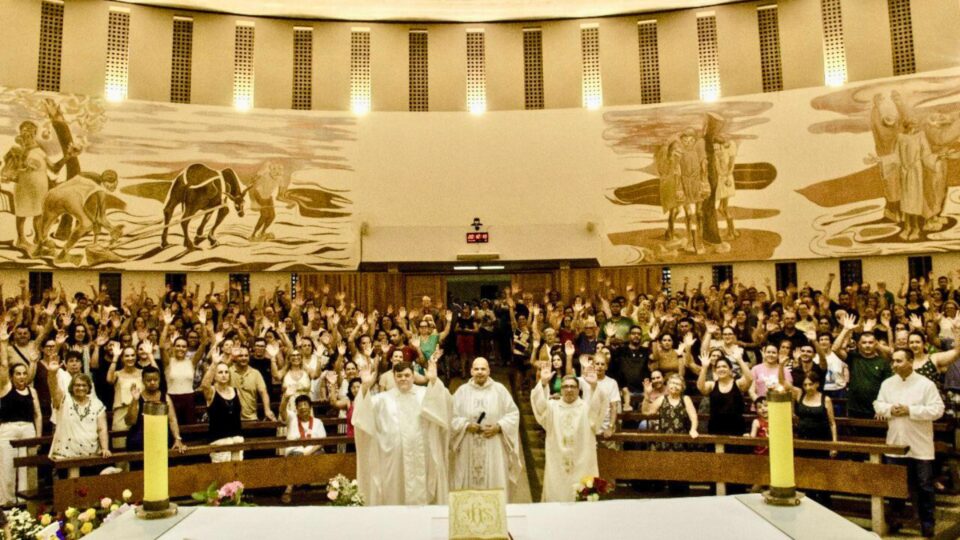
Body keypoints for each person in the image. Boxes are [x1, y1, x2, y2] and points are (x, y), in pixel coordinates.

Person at [351, 352, 451, 506]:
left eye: (407, 375)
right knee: (396, 495)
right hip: (393, 459)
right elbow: (363, 415)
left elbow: (443, 404)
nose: (403, 378)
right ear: (394, 377)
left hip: (420, 455)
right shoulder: (383, 399)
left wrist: (434, 381)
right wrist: (365, 386)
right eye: (399, 376)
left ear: (413, 376)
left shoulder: (424, 394)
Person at [875, 348, 945, 538]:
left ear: (910, 362)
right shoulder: (888, 383)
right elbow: (878, 404)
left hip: (920, 445)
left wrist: (911, 411)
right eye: (893, 361)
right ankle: (896, 519)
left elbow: (938, 410)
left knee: (924, 486)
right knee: (895, 486)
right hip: (895, 443)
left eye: (899, 361)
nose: (894, 365)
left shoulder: (926, 384)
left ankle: (927, 523)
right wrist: (890, 409)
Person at [531, 361, 608, 502]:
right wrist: (542, 383)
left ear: (578, 390)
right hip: (557, 464)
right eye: (565, 386)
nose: (569, 389)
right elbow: (539, 406)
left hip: (582, 462)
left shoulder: (586, 408)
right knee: (556, 496)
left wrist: (594, 385)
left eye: (573, 386)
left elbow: (600, 405)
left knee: (582, 498)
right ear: (560, 389)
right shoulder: (553, 408)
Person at [451, 357, 521, 496]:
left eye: (483, 369)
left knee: (494, 483)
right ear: (471, 371)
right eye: (476, 369)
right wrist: (466, 425)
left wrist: (499, 426)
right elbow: (451, 416)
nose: (480, 372)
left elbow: (513, 414)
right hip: (468, 444)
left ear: (489, 371)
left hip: (493, 444)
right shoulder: (462, 391)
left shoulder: (500, 390)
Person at [46, 360, 110, 460]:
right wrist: (52, 373)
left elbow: (102, 429)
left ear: (89, 387)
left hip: (91, 453)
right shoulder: (64, 400)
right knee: (72, 475)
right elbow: (54, 389)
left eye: (84, 385)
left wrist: (105, 448)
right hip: (66, 453)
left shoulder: (97, 404)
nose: (81, 388)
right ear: (72, 387)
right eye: (77, 385)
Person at [834, 313, 893, 418]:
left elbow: (888, 388)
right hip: (854, 409)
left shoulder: (883, 361)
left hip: (876, 411)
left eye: (870, 342)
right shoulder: (853, 358)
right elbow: (835, 349)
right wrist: (845, 329)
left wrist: (882, 407)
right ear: (859, 345)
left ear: (875, 344)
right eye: (864, 342)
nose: (867, 345)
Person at [0, 360, 41, 505]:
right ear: (12, 376)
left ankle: (25, 502)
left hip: (28, 429)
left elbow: (38, 415)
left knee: (27, 468)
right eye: (18, 374)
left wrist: (38, 438)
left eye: (24, 373)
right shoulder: (5, 387)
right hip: (8, 430)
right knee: (7, 467)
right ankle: (7, 502)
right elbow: (4, 365)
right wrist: (4, 343)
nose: (22, 377)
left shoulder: (32, 391)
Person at [124, 366, 186, 454]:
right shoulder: (138, 397)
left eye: (155, 379)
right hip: (140, 440)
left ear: (159, 380)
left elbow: (172, 420)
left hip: (161, 439)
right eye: (149, 380)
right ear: (143, 381)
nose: (152, 382)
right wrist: (134, 400)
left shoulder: (165, 397)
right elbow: (130, 421)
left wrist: (177, 438)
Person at [280, 394, 326, 504]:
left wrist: (309, 452)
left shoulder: (318, 422)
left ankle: (329, 490)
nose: (303, 407)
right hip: (295, 450)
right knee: (297, 457)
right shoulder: (292, 418)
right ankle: (289, 489)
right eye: (300, 405)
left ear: (310, 407)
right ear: (296, 408)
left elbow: (321, 442)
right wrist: (285, 399)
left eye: (305, 404)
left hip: (313, 451)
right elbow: (282, 411)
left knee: (322, 456)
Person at [697, 355, 752, 436]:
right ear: (715, 371)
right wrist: (704, 367)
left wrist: (740, 360)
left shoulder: (738, 383)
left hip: (736, 428)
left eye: (724, 366)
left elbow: (749, 379)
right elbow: (700, 387)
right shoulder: (712, 385)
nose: (721, 369)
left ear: (730, 370)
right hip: (716, 428)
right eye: (718, 367)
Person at [201, 361, 244, 463]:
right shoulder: (212, 392)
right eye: (220, 372)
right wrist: (214, 363)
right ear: (214, 376)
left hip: (237, 438)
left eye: (226, 372)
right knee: (223, 475)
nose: (224, 375)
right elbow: (204, 385)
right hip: (219, 439)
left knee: (238, 474)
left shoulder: (236, 391)